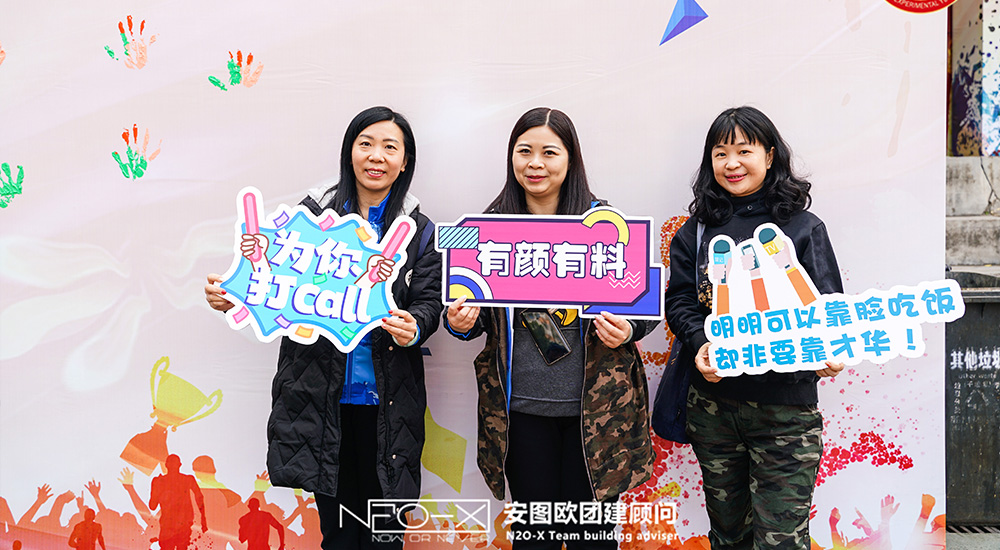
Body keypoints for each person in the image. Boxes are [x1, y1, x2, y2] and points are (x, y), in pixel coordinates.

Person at [205, 106, 442, 550]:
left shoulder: (420, 230)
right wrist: (233, 295)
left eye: (390, 147)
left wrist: (416, 325)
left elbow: (430, 302)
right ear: (349, 151)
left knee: (385, 533)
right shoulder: (310, 219)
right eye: (366, 143)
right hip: (322, 401)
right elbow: (269, 280)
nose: (376, 156)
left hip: (388, 404)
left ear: (404, 161)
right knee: (337, 534)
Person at [445, 107, 657, 549]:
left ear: (570, 158)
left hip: (596, 413)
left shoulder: (606, 223)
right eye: (524, 151)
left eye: (549, 152)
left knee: (590, 539)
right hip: (521, 411)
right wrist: (461, 322)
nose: (535, 163)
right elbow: (474, 312)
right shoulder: (486, 227)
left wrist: (628, 328)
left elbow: (644, 304)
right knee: (534, 537)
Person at [663, 106, 845, 550]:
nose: (732, 163)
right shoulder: (697, 232)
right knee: (729, 537)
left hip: (786, 411)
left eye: (744, 150)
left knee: (782, 540)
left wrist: (832, 349)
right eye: (720, 153)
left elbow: (830, 305)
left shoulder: (802, 227)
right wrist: (701, 343)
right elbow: (681, 301)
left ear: (769, 155)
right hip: (714, 409)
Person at [148, 454, 207, 550]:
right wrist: (203, 519)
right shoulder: (160, 481)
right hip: (171, 526)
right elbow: (152, 506)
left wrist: (203, 519)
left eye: (173, 463)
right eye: (171, 463)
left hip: (179, 525)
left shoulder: (187, 480)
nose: (172, 466)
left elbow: (199, 497)